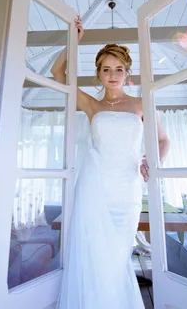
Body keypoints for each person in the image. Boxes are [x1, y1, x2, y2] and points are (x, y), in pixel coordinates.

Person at [52, 16, 170, 309]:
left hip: (127, 192)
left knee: (118, 259)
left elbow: (163, 141)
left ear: (128, 72)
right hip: (95, 191)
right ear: (99, 74)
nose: (112, 74)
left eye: (118, 69)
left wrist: (151, 161)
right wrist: (73, 38)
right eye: (106, 69)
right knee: (94, 259)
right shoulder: (93, 106)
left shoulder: (142, 104)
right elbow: (57, 71)